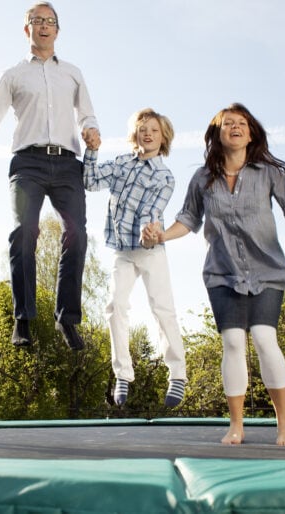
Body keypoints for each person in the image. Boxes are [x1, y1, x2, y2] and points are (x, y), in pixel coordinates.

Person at [147, 103, 285, 446]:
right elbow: (188, 219)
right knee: (232, 342)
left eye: (241, 123)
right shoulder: (202, 178)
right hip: (222, 272)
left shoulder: (268, 172)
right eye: (228, 123)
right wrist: (163, 235)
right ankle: (236, 425)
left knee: (263, 337)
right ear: (217, 133)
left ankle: (284, 424)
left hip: (266, 269)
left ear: (251, 133)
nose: (235, 127)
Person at [0, 2, 99, 351]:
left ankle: (67, 319)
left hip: (67, 165)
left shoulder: (73, 73)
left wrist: (92, 130)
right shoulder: (14, 75)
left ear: (58, 30)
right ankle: (23, 319)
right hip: (27, 164)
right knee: (24, 232)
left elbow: (87, 114)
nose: (44, 26)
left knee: (77, 234)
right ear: (27, 30)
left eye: (50, 22)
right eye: (37, 21)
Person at [83, 108, 187, 408]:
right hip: (122, 251)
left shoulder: (164, 176)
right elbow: (91, 182)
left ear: (163, 137)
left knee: (162, 309)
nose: (148, 133)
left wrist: (150, 229)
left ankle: (177, 374)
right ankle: (123, 375)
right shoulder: (120, 164)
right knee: (115, 307)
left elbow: (152, 209)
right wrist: (92, 151)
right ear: (135, 134)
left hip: (150, 249)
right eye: (143, 128)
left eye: (154, 129)